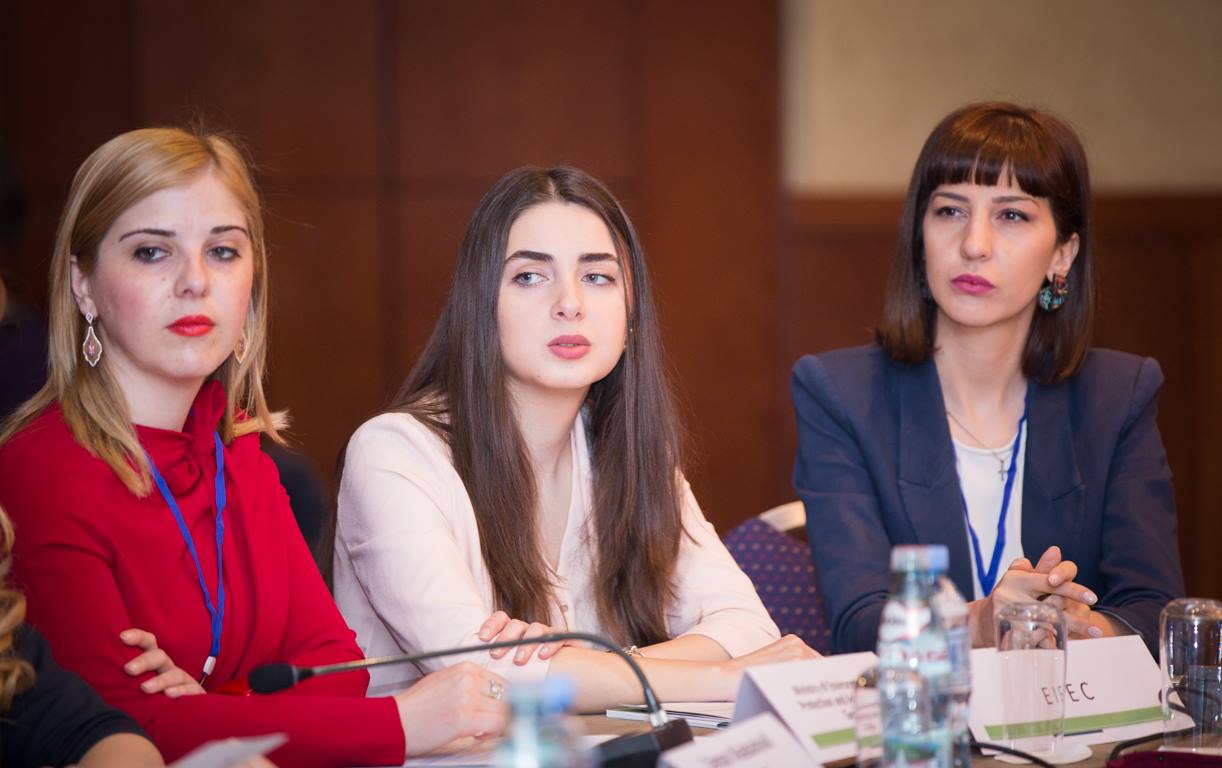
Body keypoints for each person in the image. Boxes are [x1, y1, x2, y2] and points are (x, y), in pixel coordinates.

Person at [0, 128, 506, 766]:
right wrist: (400, 722)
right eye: (152, 252)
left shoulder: (236, 452)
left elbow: (339, 667)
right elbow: (116, 732)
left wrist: (208, 709)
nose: (194, 281)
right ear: (84, 284)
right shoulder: (38, 472)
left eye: (222, 251)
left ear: (252, 280)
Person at [326, 166, 818, 711]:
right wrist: (721, 678)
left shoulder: (631, 453)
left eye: (598, 277)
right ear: (480, 307)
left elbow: (747, 626)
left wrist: (590, 668)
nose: (569, 303)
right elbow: (480, 675)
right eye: (529, 277)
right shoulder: (394, 454)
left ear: (631, 316)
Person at [791, 102, 1184, 655]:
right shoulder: (841, 394)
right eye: (950, 211)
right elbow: (859, 623)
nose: (974, 244)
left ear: (1062, 255)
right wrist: (981, 622)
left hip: (1070, 707)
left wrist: (1078, 626)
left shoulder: (1118, 396)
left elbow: (1154, 609)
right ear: (920, 236)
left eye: (1012, 216)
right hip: (920, 708)